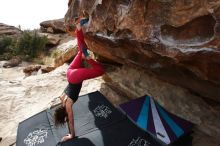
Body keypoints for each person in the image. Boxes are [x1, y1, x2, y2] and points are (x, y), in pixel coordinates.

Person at [54, 13, 104, 142]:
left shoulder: (68, 106)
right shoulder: (62, 98)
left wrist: (71, 135)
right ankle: (78, 26)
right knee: (81, 49)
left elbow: (71, 121)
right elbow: (64, 112)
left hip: (76, 77)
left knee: (100, 70)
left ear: (64, 114)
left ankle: (87, 57)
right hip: (69, 72)